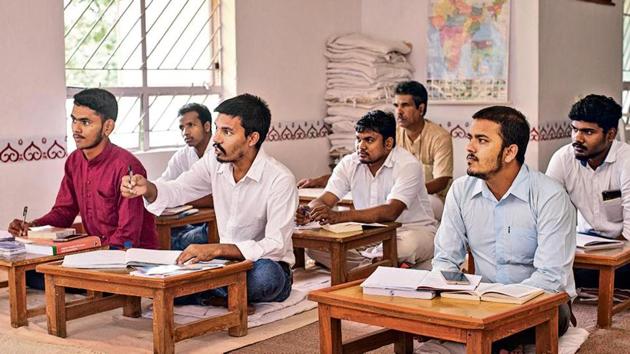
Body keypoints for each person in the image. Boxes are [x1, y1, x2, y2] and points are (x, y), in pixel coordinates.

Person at [121, 94, 296, 306]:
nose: (216, 138)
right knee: (175, 267)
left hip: (263, 265)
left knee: (266, 278)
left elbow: (276, 245)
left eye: (227, 132)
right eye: (217, 128)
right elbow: (180, 188)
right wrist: (148, 188)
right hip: (223, 265)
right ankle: (217, 293)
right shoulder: (214, 161)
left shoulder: (280, 178)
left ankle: (202, 291)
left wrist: (217, 249)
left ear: (252, 139)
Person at [432, 106, 575, 351]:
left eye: (482, 140)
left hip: (541, 303)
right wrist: (454, 296)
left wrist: (495, 308)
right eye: (470, 138)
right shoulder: (460, 190)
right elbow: (445, 260)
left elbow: (550, 279)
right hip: (482, 301)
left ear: (510, 152)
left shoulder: (550, 195)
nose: (469, 148)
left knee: (483, 332)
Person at [8, 88, 158, 288]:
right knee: (30, 275)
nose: (76, 129)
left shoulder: (127, 167)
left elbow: (127, 236)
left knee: (48, 278)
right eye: (74, 120)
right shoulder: (74, 161)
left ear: (108, 127)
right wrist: (32, 227)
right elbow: (63, 212)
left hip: (129, 260)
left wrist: (92, 260)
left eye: (85, 122)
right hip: (96, 254)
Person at [296, 110, 437, 269]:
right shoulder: (349, 163)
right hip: (369, 234)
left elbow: (390, 212)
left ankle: (365, 265)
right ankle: (373, 265)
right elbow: (324, 200)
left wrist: (338, 216)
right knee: (315, 247)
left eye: (369, 140)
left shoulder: (408, 165)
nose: (361, 146)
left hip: (411, 232)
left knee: (406, 246)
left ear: (388, 143)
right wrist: (310, 212)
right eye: (358, 139)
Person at [297, 81, 453, 219]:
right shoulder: (390, 132)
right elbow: (344, 174)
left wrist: (407, 188)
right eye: (396, 106)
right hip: (390, 197)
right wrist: (316, 188)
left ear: (421, 108)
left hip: (429, 198)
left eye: (405, 105)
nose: (399, 111)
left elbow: (442, 181)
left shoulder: (439, 137)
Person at [547, 94, 630, 289]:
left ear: (610, 135)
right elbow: (545, 210)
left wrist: (609, 258)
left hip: (623, 248)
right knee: (540, 264)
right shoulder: (563, 158)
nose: (578, 138)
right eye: (574, 129)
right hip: (584, 245)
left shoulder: (626, 161)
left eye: (588, 132)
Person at [157, 103, 214, 250]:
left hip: (213, 223)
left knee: (177, 242)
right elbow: (163, 184)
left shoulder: (221, 153)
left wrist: (180, 197)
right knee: (156, 235)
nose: (185, 132)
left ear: (207, 126)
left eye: (191, 125)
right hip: (186, 221)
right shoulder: (182, 155)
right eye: (182, 128)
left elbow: (218, 198)